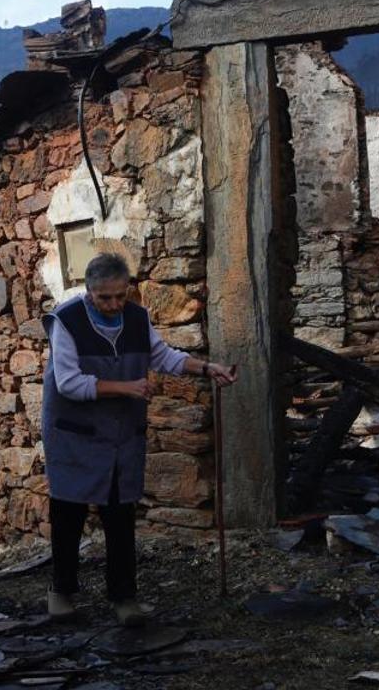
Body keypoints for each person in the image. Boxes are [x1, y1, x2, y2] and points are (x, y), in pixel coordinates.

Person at [40, 252, 237, 626]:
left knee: (120, 514)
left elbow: (163, 357)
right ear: (89, 292)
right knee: (69, 512)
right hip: (74, 435)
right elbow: (68, 384)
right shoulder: (65, 321)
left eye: (119, 296)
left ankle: (124, 597)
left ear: (127, 290)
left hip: (118, 436)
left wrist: (206, 367)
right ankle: (61, 590)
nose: (114, 305)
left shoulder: (136, 317)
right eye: (104, 298)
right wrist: (125, 387)